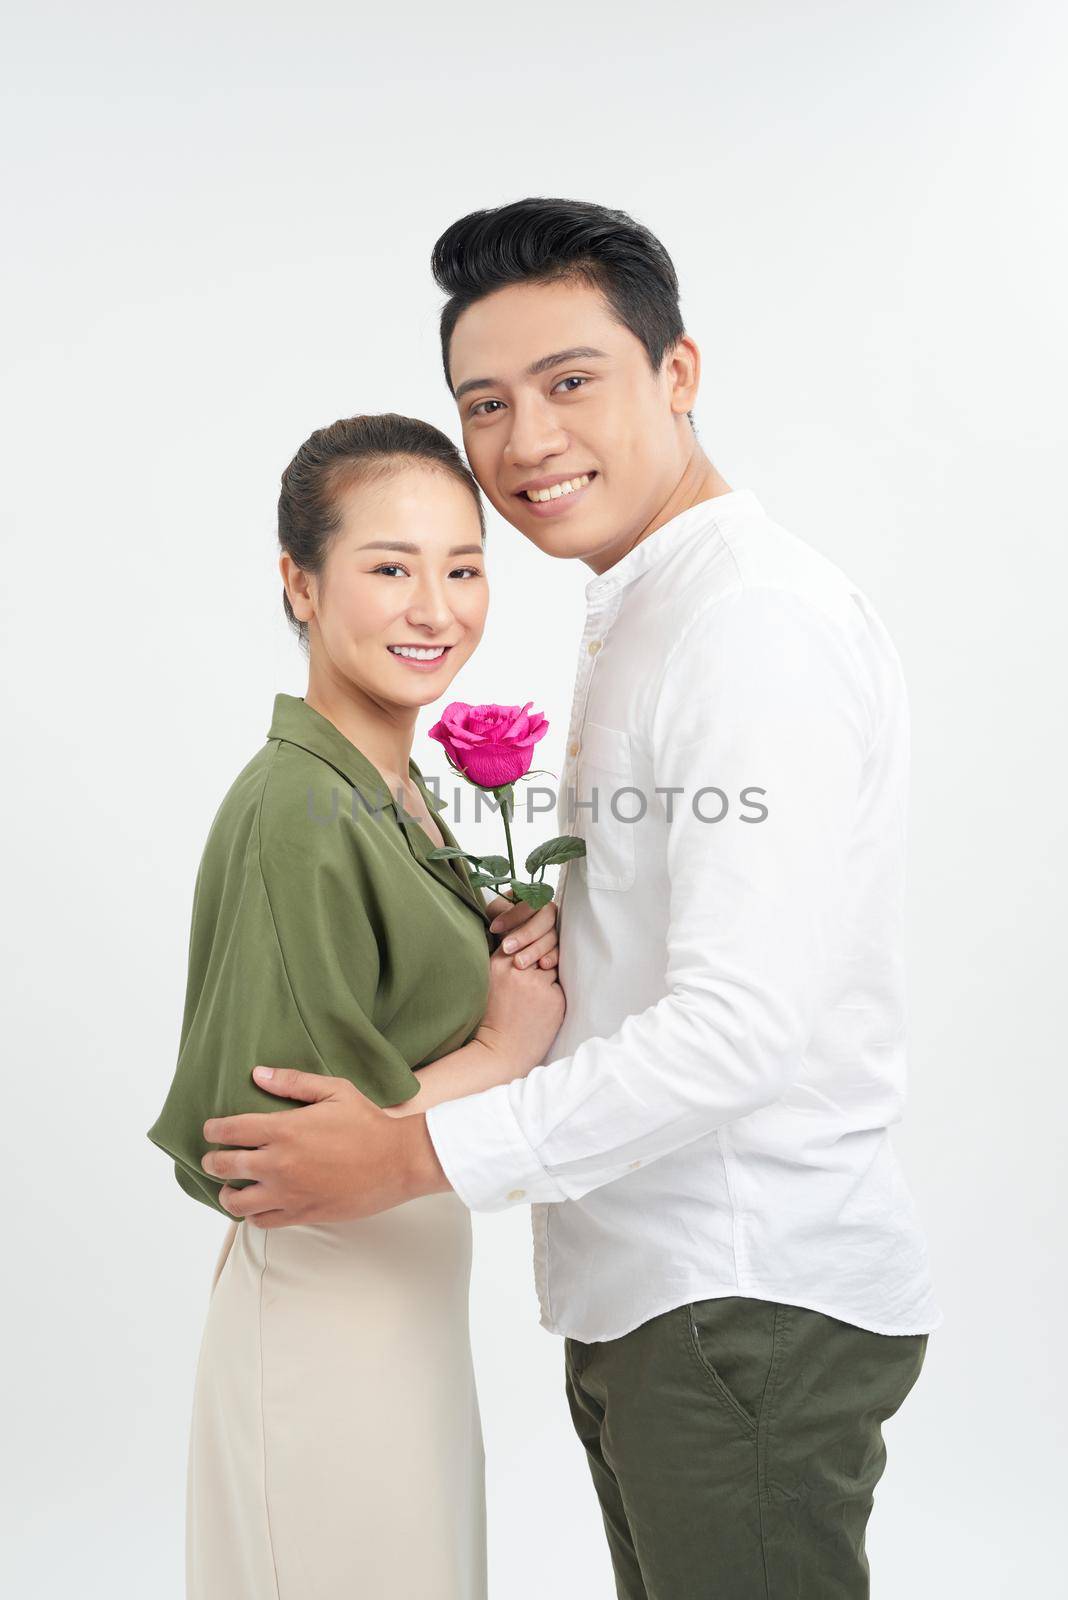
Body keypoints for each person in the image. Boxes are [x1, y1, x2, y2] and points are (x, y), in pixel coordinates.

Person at [199, 201, 943, 1598]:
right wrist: (565, 943)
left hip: (739, 1293)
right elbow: (699, 936)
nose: (528, 440)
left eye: (571, 382)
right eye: (487, 402)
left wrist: (415, 1154)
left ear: (679, 374)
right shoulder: (650, 605)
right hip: (664, 1296)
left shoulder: (747, 628)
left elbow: (741, 1030)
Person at [145, 412, 563, 1599]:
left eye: (464, 566)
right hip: (328, 1325)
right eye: (390, 567)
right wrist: (498, 1044)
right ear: (301, 583)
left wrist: (502, 933)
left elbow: (394, 1037)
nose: (437, 607)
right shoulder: (295, 805)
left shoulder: (390, 787)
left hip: (398, 1315)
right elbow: (261, 1157)